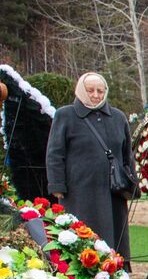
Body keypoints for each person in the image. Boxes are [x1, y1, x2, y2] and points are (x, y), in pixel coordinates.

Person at [45, 72, 134, 261]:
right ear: (81, 90)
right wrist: (57, 185)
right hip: (79, 190)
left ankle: (118, 271)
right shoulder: (65, 115)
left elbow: (127, 156)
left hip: (113, 191)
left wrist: (131, 184)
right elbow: (55, 153)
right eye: (90, 90)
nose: (96, 95)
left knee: (115, 233)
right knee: (82, 235)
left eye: (100, 91)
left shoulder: (118, 117)